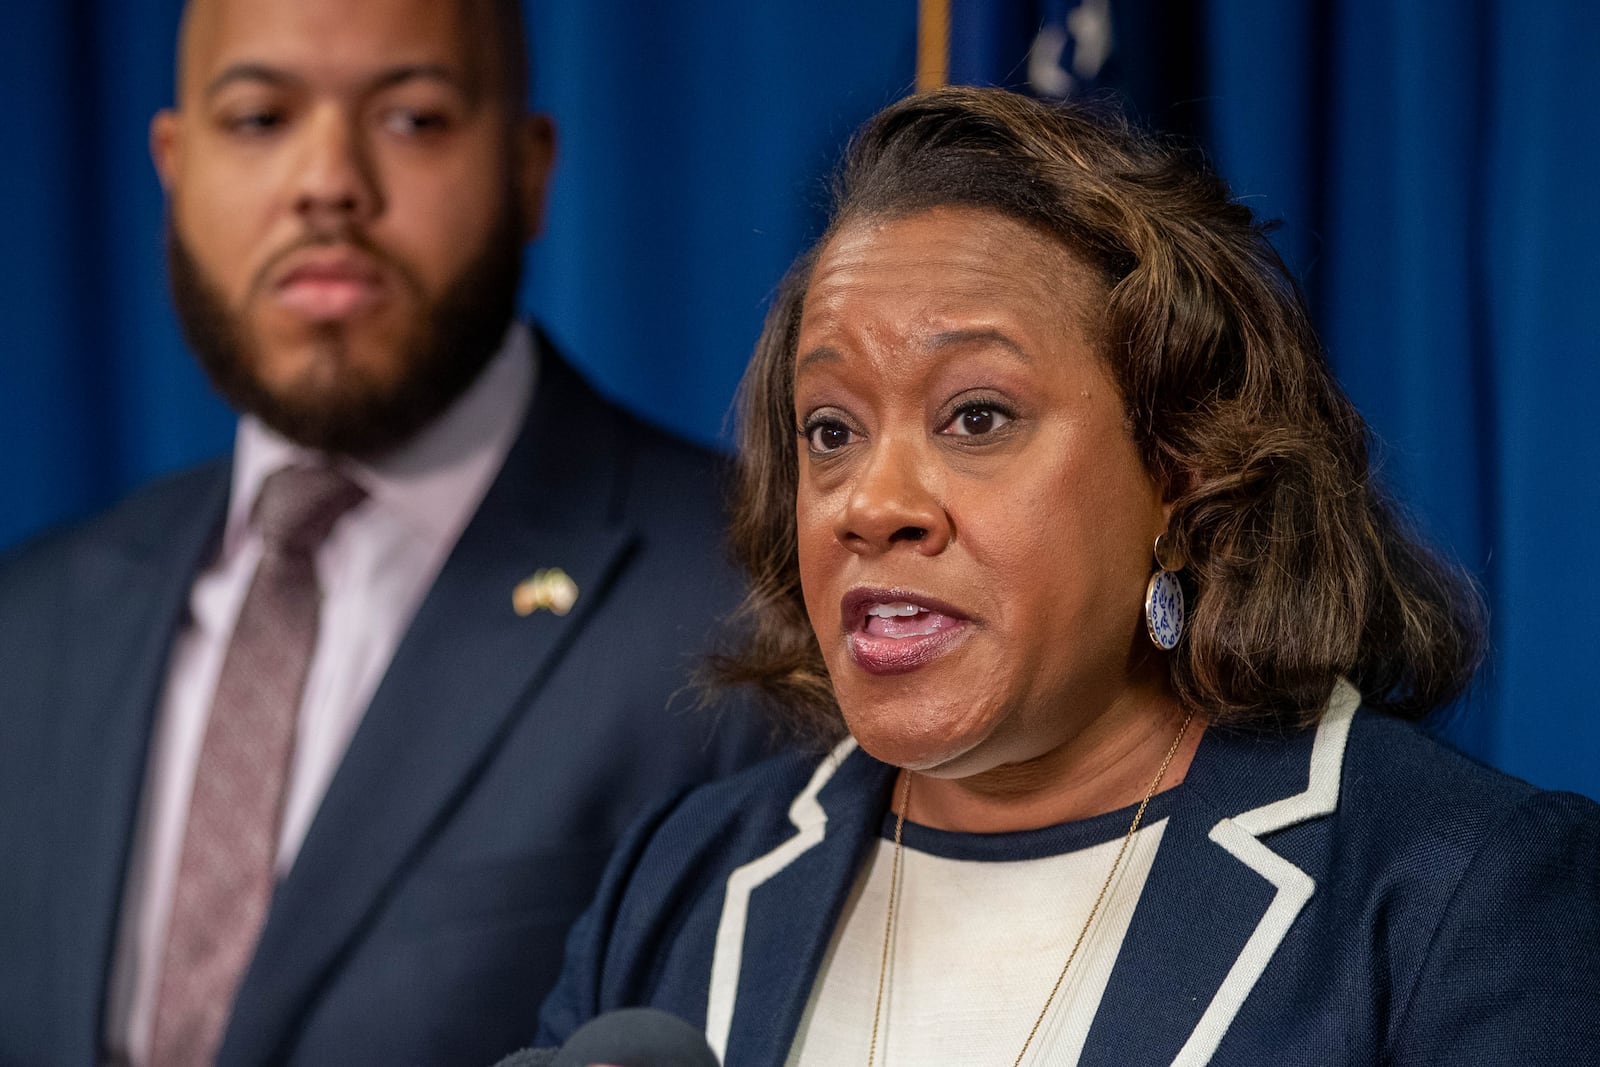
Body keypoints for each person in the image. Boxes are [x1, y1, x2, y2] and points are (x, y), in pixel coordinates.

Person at [535, 86, 1600, 1065]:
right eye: (830, 429)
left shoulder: (1457, 894)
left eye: (977, 417)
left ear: (1184, 466)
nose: (868, 502)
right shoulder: (688, 880)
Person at [0, 1, 768, 1064]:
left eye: (411, 119)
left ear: (530, 167)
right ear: (174, 166)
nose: (328, 181)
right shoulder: (27, 625)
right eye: (261, 117)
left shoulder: (746, 600)